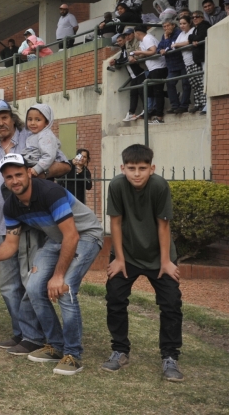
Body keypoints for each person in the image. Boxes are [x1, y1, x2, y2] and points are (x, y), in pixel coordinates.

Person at [0, 153, 102, 376]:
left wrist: (58, 275)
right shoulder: (12, 205)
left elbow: (72, 236)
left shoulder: (49, 192)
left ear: (29, 173)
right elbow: (11, 244)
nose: (14, 180)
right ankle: (56, 346)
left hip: (85, 236)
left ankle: (73, 355)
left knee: (64, 288)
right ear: (4, 180)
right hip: (57, 240)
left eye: (18, 174)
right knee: (34, 288)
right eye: (9, 177)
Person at [0, 99, 71, 353]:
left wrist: (38, 172)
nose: (0, 122)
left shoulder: (31, 137)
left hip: (32, 224)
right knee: (8, 285)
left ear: (13, 118)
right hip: (5, 225)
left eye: (4, 117)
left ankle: (34, 336)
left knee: (28, 279)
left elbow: (64, 164)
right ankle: (22, 332)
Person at [102, 144, 184, 382]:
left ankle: (170, 356)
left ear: (152, 168)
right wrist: (118, 257)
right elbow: (115, 223)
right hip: (125, 253)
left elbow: (163, 225)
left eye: (142, 168)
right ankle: (120, 350)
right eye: (131, 168)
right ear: (122, 168)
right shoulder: (117, 185)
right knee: (115, 299)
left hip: (159, 255)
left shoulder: (159, 186)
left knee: (171, 303)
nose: (136, 173)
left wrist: (166, 261)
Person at [173, 15, 205, 114]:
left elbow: (190, 44)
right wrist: (183, 45)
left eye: (184, 23)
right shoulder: (181, 34)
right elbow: (173, 46)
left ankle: (204, 103)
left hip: (195, 61)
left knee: (201, 83)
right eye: (180, 24)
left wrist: (181, 45)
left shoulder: (193, 31)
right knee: (194, 84)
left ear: (189, 23)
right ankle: (197, 103)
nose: (182, 26)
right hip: (186, 63)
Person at [130, 26, 163, 123]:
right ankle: (151, 110)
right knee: (148, 89)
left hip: (158, 67)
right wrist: (132, 56)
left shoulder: (147, 38)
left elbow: (153, 51)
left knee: (158, 91)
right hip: (152, 68)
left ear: (137, 33)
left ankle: (159, 116)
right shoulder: (142, 41)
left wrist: (139, 52)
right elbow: (141, 54)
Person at [156, 20, 188, 116]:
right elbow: (159, 48)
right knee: (170, 84)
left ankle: (184, 105)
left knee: (186, 84)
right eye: (164, 27)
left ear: (173, 25)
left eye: (168, 26)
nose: (166, 28)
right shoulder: (164, 35)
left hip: (182, 62)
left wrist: (166, 40)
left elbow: (170, 47)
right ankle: (175, 106)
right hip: (171, 65)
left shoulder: (178, 33)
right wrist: (160, 50)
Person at [21, 104, 62, 178]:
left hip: (38, 169)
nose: (33, 123)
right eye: (30, 119)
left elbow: (49, 156)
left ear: (47, 123)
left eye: (38, 120)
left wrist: (37, 169)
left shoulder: (45, 135)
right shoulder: (32, 135)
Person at [190, 10, 210, 115]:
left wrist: (193, 38)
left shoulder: (204, 26)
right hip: (201, 60)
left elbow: (201, 37)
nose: (195, 19)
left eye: (197, 16)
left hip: (206, 57)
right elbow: (191, 38)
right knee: (202, 82)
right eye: (193, 17)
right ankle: (205, 105)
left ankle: (207, 105)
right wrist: (192, 38)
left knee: (206, 81)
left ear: (202, 17)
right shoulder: (195, 29)